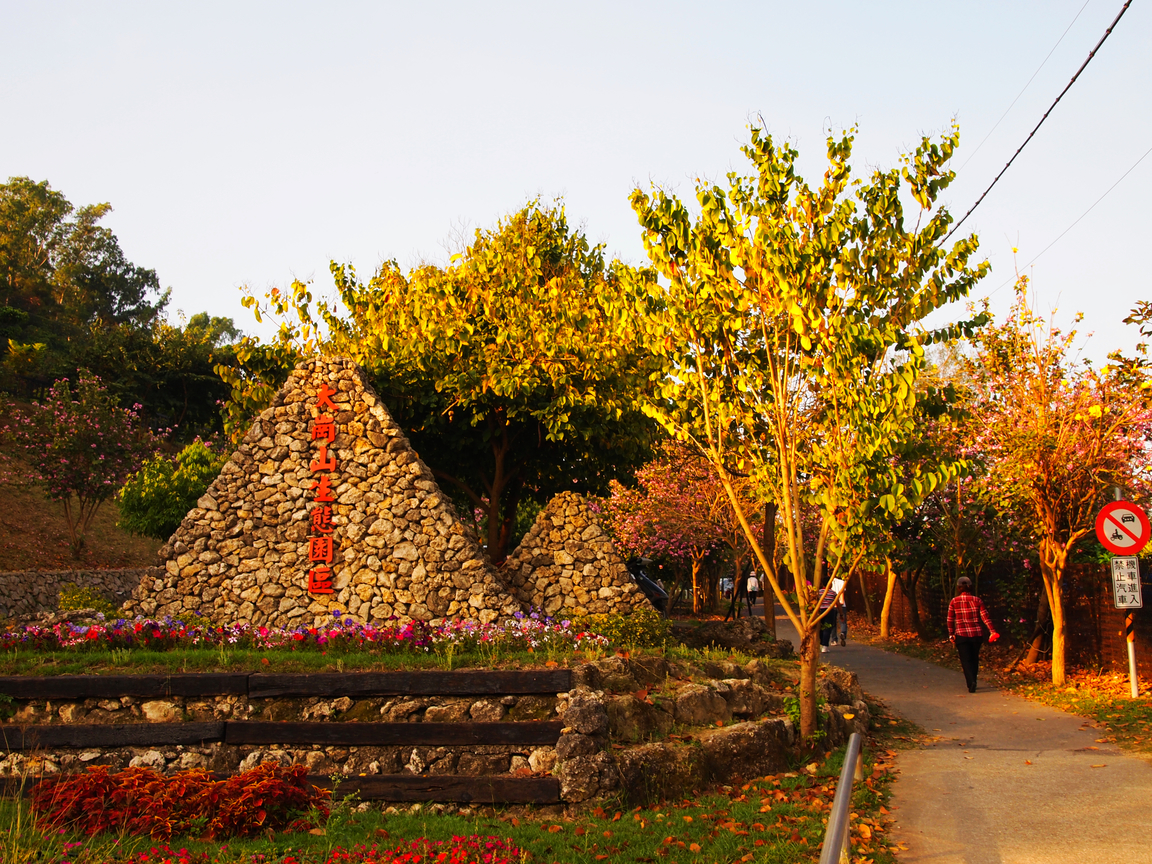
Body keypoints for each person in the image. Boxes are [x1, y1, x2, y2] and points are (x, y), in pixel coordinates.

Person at [947, 576, 1000, 693]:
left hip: (961, 635)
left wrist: (951, 634)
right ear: (970, 587)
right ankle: (974, 679)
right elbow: (985, 617)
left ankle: (970, 682)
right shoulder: (977, 600)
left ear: (959, 588)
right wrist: (992, 631)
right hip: (976, 634)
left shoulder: (954, 601)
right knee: (974, 658)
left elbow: (950, 619)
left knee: (965, 660)